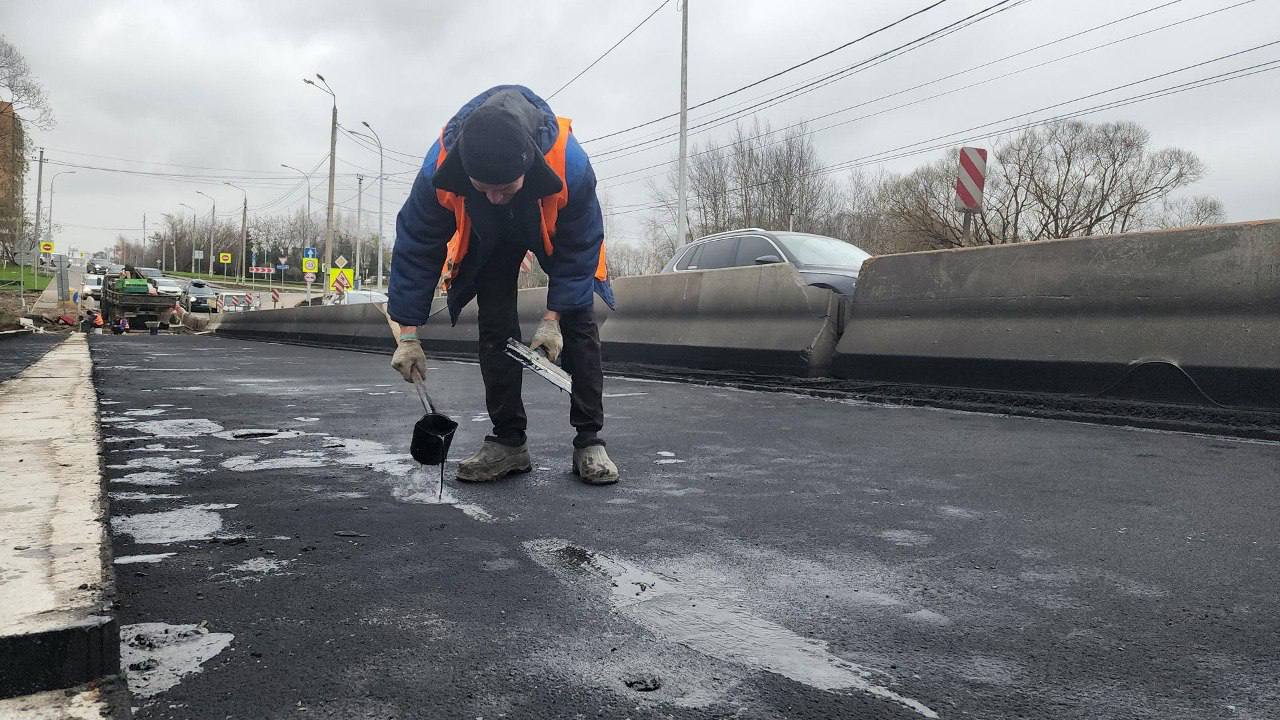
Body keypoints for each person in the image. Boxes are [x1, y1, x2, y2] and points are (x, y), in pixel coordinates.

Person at [388, 85, 618, 485]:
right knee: (495, 327)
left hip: (554, 229)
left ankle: (589, 440)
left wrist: (552, 318)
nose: (494, 198)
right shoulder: (441, 167)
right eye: (483, 188)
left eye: (504, 188)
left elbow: (580, 249)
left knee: (579, 321)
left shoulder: (570, 164)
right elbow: (417, 244)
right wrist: (407, 334)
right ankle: (509, 443)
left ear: (529, 169)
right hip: (488, 238)